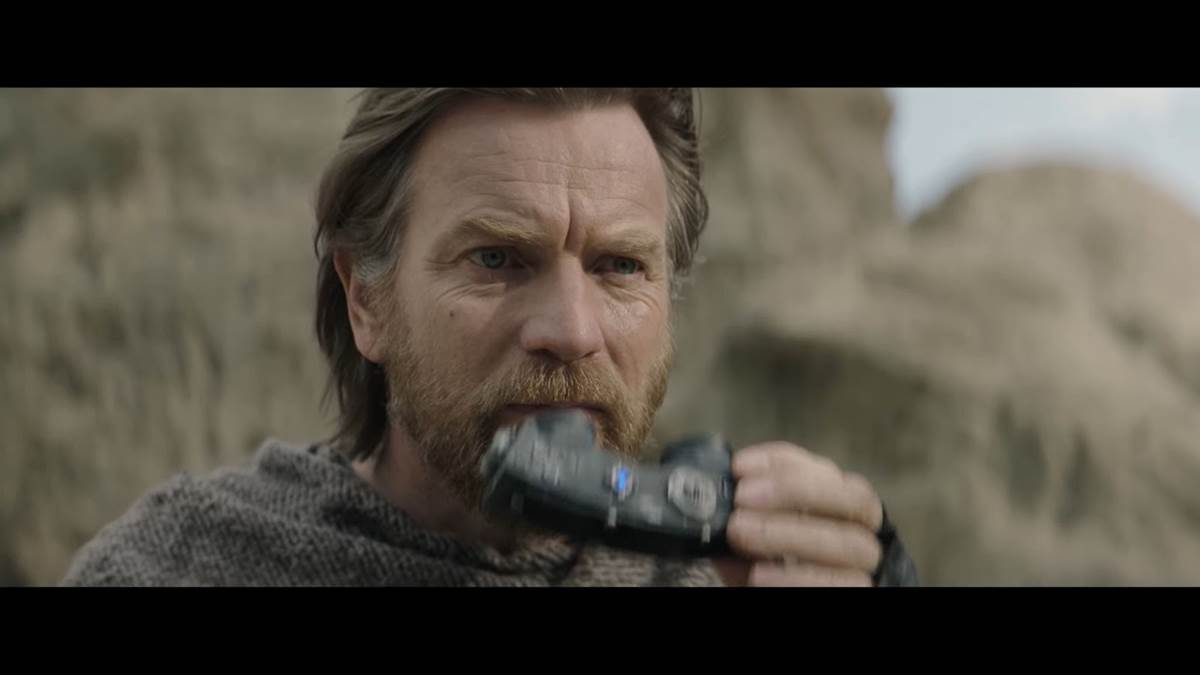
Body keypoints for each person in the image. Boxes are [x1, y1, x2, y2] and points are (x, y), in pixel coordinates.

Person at [62, 88, 919, 587]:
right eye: (498, 258)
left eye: (620, 267)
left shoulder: (726, 576)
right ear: (366, 299)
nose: (570, 331)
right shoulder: (179, 566)